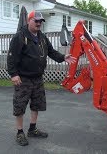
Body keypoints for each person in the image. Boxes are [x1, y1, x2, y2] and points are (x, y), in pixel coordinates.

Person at [7, 10, 76, 146]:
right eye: (36, 21)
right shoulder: (20, 37)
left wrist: (63, 57)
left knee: (36, 104)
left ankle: (32, 129)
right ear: (29, 21)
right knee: (20, 106)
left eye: (40, 21)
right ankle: (20, 132)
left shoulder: (42, 37)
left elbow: (50, 52)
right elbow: (11, 57)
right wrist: (13, 74)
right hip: (23, 78)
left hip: (38, 78)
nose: (39, 23)